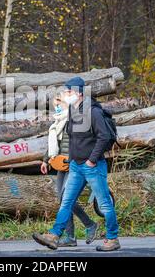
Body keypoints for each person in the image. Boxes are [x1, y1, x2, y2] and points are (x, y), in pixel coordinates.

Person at [33, 77, 120, 252]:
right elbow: (72, 138)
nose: (66, 95)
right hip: (76, 166)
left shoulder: (92, 112)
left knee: (104, 203)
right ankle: (54, 235)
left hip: (92, 166)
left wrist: (91, 160)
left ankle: (112, 238)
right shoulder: (73, 110)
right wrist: (71, 160)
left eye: (68, 91)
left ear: (79, 93)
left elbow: (103, 137)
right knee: (66, 201)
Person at [41, 95, 98, 247]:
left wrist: (72, 159)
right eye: (55, 105)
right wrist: (46, 160)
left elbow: (77, 142)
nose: (57, 108)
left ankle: (89, 224)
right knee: (63, 199)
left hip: (73, 163)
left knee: (67, 199)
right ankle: (70, 237)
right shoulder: (58, 121)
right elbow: (55, 143)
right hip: (61, 164)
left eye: (59, 104)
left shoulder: (73, 119)